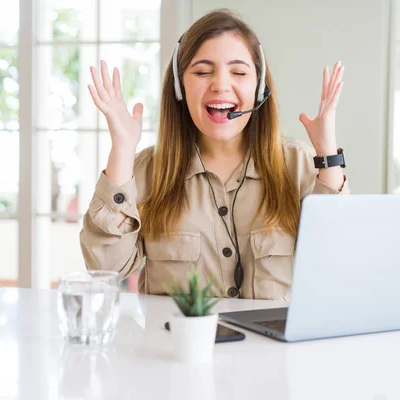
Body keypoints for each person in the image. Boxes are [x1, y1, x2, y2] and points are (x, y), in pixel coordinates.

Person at [79, 9, 349, 300]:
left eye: (239, 72)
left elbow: (336, 262)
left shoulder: (299, 164)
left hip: (274, 347)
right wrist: (121, 148)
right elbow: (106, 268)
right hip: (176, 345)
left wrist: (328, 155)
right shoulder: (148, 170)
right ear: (180, 87)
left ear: (259, 88)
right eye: (203, 71)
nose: (220, 85)